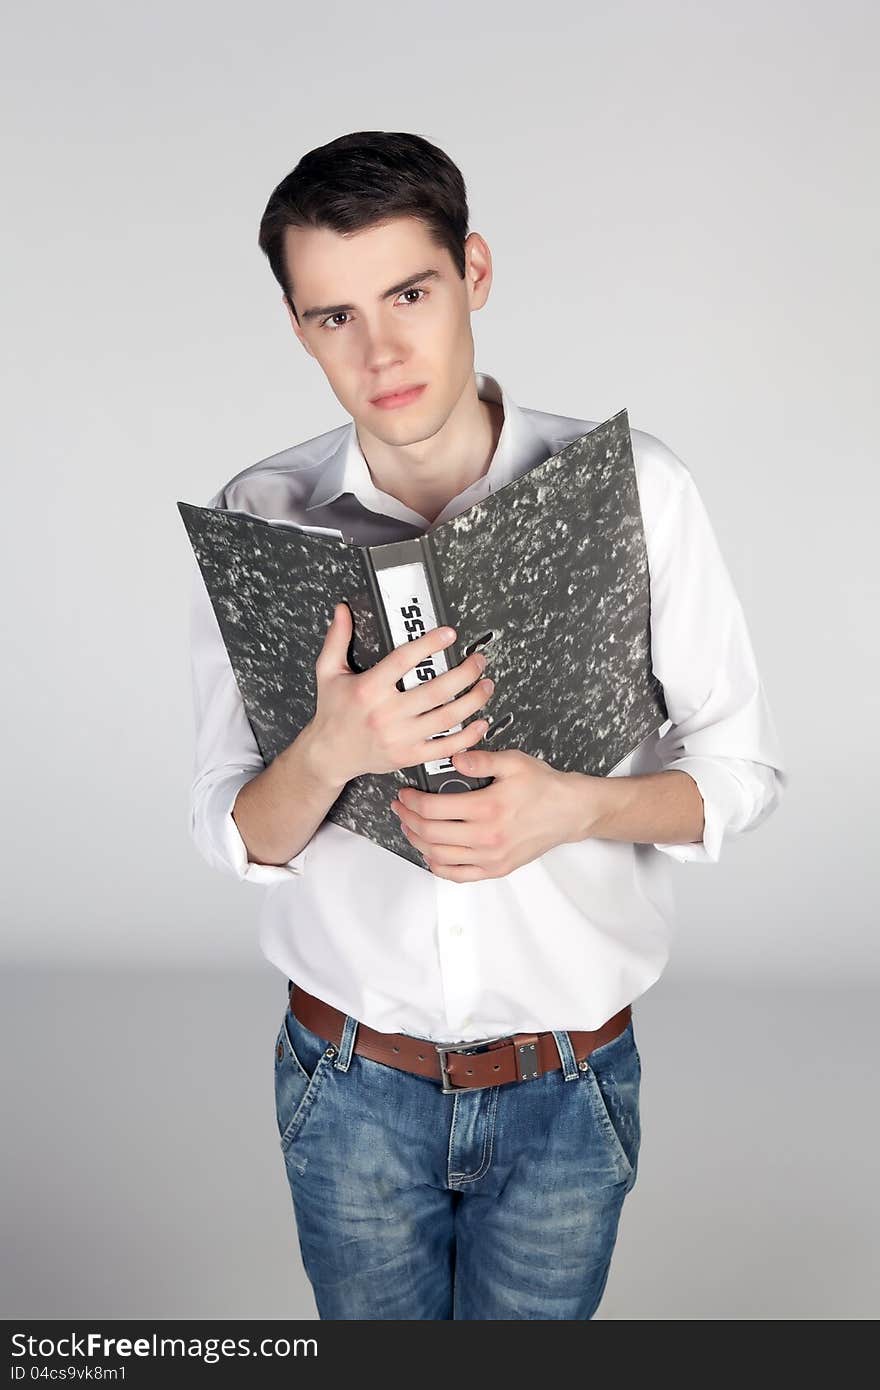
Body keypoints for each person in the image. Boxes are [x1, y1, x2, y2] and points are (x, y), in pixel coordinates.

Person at [186, 130, 787, 1320]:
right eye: (332, 317)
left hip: (568, 1085)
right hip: (347, 1083)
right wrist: (335, 746)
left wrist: (577, 808)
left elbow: (742, 770)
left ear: (476, 271)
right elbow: (232, 832)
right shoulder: (261, 518)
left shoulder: (637, 490)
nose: (381, 350)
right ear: (300, 329)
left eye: (409, 293)